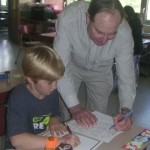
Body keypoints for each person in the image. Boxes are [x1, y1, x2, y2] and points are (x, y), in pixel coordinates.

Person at [54, 0, 136, 131]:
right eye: (99, 31)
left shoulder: (124, 35)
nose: (104, 40)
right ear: (88, 18)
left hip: (101, 71)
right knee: (67, 112)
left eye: (111, 34)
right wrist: (75, 108)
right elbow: (60, 67)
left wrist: (126, 112)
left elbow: (127, 79)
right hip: (71, 67)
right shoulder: (69, 18)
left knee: (98, 116)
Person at [5, 45, 80, 149]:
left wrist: (53, 119)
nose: (55, 86)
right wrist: (59, 141)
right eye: (49, 82)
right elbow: (17, 140)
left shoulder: (51, 91)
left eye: (56, 81)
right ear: (30, 80)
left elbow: (55, 113)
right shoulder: (18, 97)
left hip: (43, 139)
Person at [124, 5, 143, 82]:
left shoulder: (131, 22)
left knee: (130, 67)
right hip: (138, 48)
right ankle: (135, 83)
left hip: (134, 48)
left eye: (124, 13)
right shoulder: (136, 20)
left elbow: (129, 36)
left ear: (127, 13)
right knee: (135, 66)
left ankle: (131, 83)